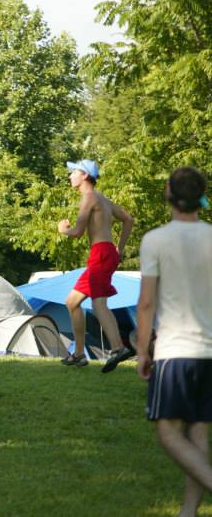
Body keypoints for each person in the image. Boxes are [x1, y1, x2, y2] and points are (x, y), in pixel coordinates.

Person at [136, 166, 212, 515]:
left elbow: (147, 302)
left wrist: (141, 352)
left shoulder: (155, 240)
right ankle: (188, 511)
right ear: (200, 196)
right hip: (209, 352)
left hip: (175, 351)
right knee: (197, 433)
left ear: (168, 193)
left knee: (168, 433)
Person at [57, 159, 135, 371]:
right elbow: (128, 219)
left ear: (84, 175)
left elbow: (77, 232)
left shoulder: (89, 198)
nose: (70, 176)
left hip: (101, 253)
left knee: (98, 304)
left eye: (73, 172)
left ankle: (119, 348)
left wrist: (63, 229)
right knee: (72, 301)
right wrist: (120, 248)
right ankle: (80, 354)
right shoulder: (103, 199)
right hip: (105, 253)